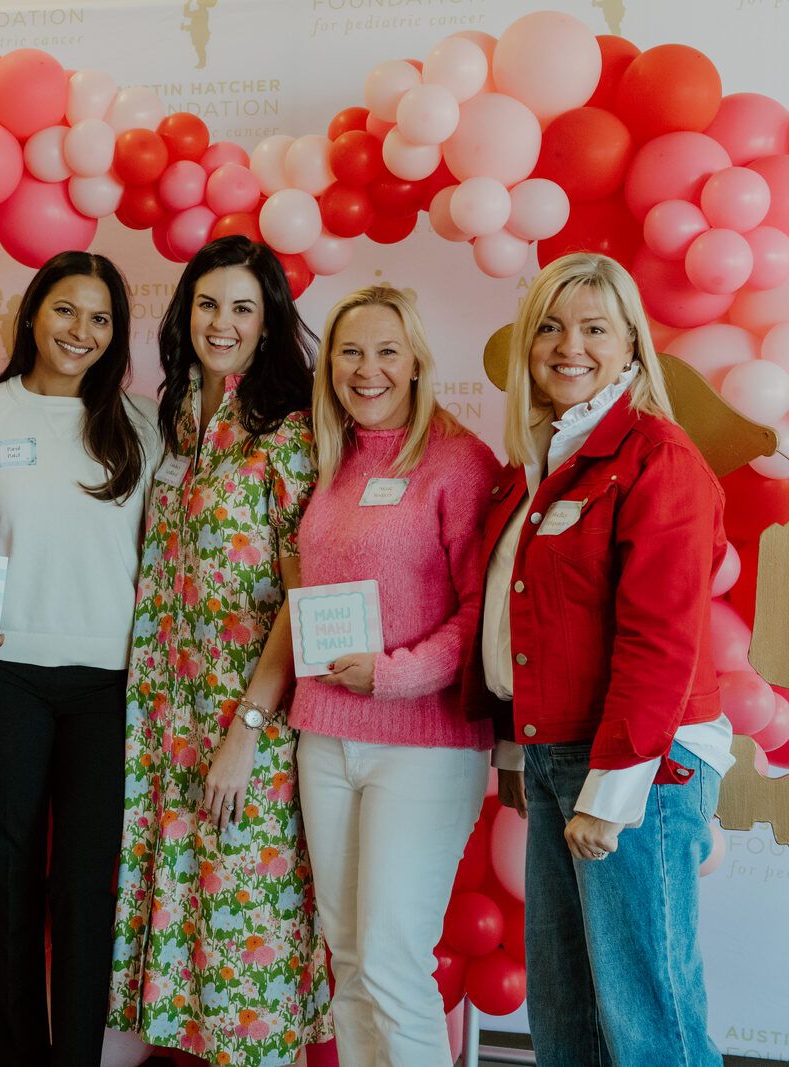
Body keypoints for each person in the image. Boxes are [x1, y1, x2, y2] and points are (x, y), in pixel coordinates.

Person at [471, 252, 733, 1067]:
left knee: (647, 1016)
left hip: (636, 765)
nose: (567, 345)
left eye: (593, 327)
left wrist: (612, 791)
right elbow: (527, 618)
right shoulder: (539, 466)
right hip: (556, 755)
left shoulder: (659, 460)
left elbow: (659, 639)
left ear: (630, 346)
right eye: (548, 326)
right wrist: (515, 744)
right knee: (567, 1013)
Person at [108, 235, 332, 1066]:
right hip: (167, 720)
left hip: (250, 726)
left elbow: (301, 596)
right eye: (208, 303)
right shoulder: (173, 418)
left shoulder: (285, 431)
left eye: (243, 306)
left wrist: (245, 731)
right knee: (198, 945)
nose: (222, 321)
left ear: (270, 320)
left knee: (251, 949)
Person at [289, 287, 499, 1065]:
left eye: (386, 351)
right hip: (327, 737)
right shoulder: (331, 459)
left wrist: (394, 675)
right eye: (350, 351)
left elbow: (481, 615)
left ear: (415, 362)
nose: (366, 369)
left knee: (391, 959)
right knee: (346, 960)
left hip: (424, 743)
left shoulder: (458, 460)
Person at [0, 251, 160, 1067]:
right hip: (2, 673)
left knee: (84, 891)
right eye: (67, 311)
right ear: (34, 313)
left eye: (101, 318)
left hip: (108, 684)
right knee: (5, 882)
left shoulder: (141, 423)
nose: (82, 331)